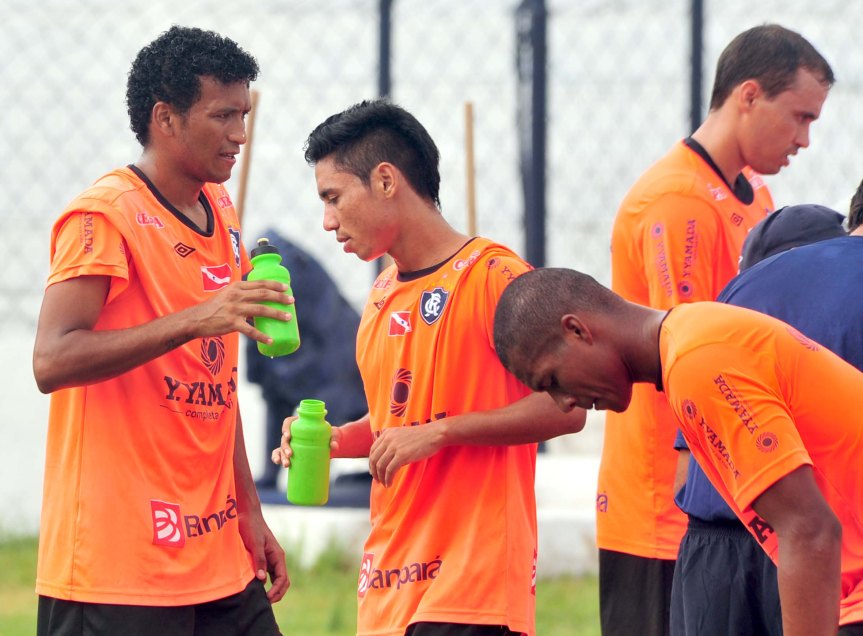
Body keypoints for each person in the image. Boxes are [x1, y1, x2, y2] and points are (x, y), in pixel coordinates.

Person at [272, 99, 586, 636]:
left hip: (472, 591)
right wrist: (335, 440)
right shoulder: (381, 295)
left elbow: (569, 408)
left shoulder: (496, 277)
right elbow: (400, 421)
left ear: (387, 180)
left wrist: (442, 433)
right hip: (389, 588)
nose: (326, 222)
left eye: (333, 197)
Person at [32, 26, 289, 636]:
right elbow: (50, 360)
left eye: (244, 114)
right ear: (165, 118)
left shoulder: (221, 209)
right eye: (223, 115)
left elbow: (217, 383)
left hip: (214, 548)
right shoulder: (105, 216)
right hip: (118, 565)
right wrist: (196, 319)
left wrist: (248, 507)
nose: (240, 135)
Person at [601, 23, 833, 634]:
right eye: (800, 117)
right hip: (667, 509)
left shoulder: (755, 195)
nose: (805, 139)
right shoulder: (677, 202)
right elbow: (688, 350)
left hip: (735, 490)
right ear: (749, 96)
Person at [493, 267, 863, 636]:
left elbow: (809, 530)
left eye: (552, 380)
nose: (563, 402)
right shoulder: (690, 340)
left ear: (577, 330)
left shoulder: (696, 361)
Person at [670, 203, 848, 636]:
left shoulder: (721, 320)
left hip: (709, 547)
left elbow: (682, 475)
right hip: (800, 542)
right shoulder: (832, 308)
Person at [245, 228, 367, 494]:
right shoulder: (271, 298)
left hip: (333, 370)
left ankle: (314, 473)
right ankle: (273, 473)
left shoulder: (313, 293)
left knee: (328, 400)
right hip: (292, 355)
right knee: (276, 397)